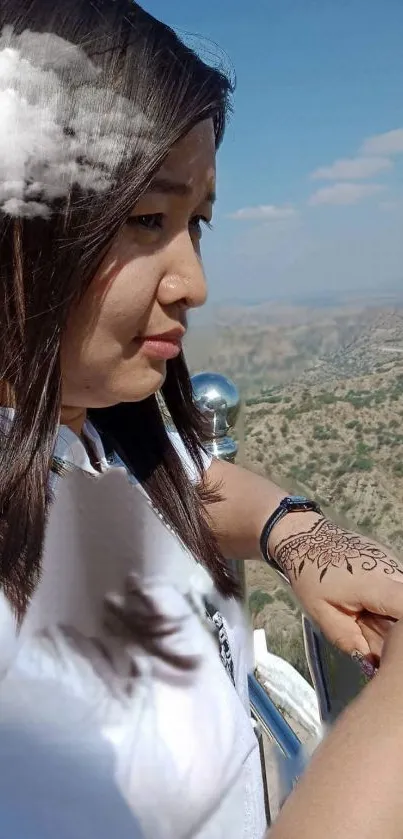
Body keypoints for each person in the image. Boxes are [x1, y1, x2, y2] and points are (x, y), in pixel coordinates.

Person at [0, 2, 402, 837]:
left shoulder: (88, 429)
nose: (193, 281)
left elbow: (197, 484)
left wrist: (296, 533)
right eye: (148, 219)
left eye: (197, 223)